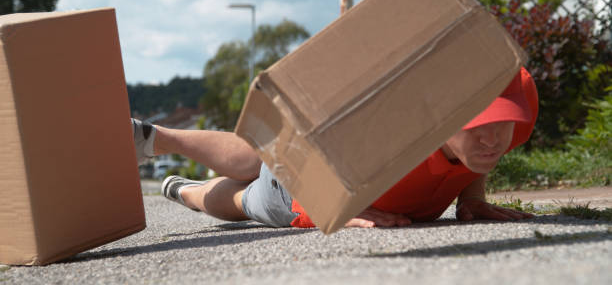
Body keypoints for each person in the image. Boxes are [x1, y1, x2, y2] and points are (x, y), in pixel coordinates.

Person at [133, 67, 538, 229]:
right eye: (477, 125)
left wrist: (473, 199)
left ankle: (180, 189)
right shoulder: (394, 133)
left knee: (240, 202)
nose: (492, 139)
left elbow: (468, 162)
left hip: (316, 186)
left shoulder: (481, 145)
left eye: (504, 122)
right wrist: (337, 211)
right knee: (254, 160)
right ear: (442, 122)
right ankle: (155, 137)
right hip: (304, 186)